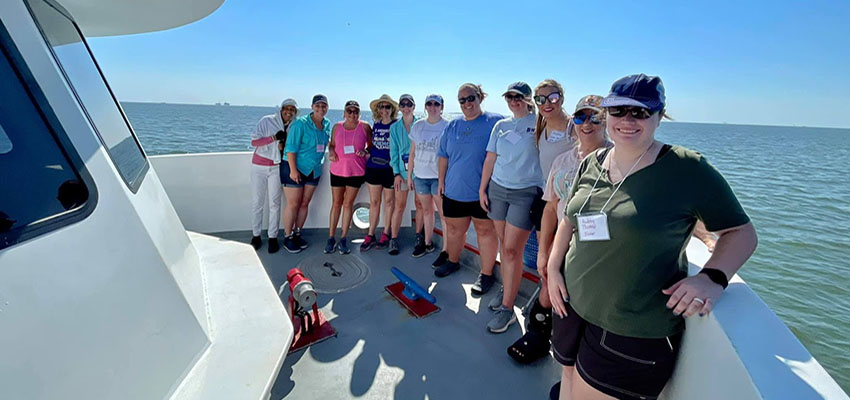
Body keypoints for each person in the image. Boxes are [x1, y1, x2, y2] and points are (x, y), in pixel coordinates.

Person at [546, 74, 757, 400]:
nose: (627, 120)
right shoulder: (592, 163)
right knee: (567, 383)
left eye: (641, 112)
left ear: (660, 116)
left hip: (630, 327)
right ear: (607, 115)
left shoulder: (687, 169)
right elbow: (569, 221)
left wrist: (712, 278)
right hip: (572, 305)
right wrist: (552, 269)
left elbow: (741, 233)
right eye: (618, 111)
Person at [511, 94, 613, 364]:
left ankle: (577, 356)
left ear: (606, 120)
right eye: (581, 117)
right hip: (561, 240)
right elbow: (549, 209)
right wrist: (544, 252)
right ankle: (539, 334)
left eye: (595, 117)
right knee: (549, 288)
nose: (587, 124)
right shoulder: (563, 161)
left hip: (599, 247)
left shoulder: (619, 159)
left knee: (583, 301)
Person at [478, 82, 543, 333]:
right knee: (505, 248)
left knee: (512, 250)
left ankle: (508, 309)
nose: (514, 101)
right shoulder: (501, 126)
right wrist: (482, 189)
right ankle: (508, 288)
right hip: (497, 189)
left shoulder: (539, 123)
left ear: (528, 99)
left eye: (519, 97)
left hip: (525, 192)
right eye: (510, 96)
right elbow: (490, 159)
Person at [435, 83, 502, 297]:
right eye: (462, 100)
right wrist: (441, 181)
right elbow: (443, 156)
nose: (467, 103)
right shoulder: (452, 125)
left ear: (480, 98)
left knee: (485, 231)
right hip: (454, 190)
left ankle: (486, 273)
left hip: (483, 193)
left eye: (471, 98)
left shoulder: (495, 122)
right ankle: (453, 261)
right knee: (454, 230)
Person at [281, 94, 331, 253]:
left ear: (327, 108)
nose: (321, 108)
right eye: (318, 105)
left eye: (324, 106)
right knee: (293, 204)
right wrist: (294, 170)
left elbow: (328, 143)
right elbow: (290, 148)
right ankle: (287, 236)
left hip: (314, 169)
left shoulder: (327, 124)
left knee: (304, 203)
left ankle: (297, 233)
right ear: (312, 107)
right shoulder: (300, 124)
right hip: (294, 167)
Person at [249, 98, 297, 253]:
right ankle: (256, 235)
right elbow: (254, 142)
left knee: (275, 204)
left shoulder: (292, 126)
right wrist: (274, 138)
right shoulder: (267, 121)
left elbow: (286, 149)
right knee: (258, 202)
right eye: (286, 108)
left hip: (276, 167)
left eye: (292, 109)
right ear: (281, 109)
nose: (289, 112)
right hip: (259, 167)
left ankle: (272, 237)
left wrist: (282, 145)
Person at [325, 100, 371, 255]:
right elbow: (331, 144)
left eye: (355, 111)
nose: (352, 114)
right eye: (349, 111)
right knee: (336, 203)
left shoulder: (365, 127)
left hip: (356, 172)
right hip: (337, 170)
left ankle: (343, 238)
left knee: (348, 204)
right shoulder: (337, 127)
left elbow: (371, 146)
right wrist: (331, 152)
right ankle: (331, 237)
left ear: (360, 113)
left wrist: (365, 152)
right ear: (344, 113)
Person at [408, 94, 449, 260]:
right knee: (427, 211)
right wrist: (410, 176)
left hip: (439, 178)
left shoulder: (447, 126)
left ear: (442, 107)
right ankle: (427, 243)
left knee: (444, 215)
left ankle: (446, 250)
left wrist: (443, 179)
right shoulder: (418, 126)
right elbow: (412, 153)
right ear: (425, 107)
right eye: (429, 104)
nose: (433, 107)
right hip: (420, 177)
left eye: (436, 104)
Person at [360, 94, 398, 252]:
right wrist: (365, 152)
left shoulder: (397, 126)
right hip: (373, 168)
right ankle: (370, 234)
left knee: (389, 203)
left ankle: (386, 232)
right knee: (374, 202)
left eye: (387, 107)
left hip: (389, 169)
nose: (384, 110)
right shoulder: (375, 125)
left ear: (392, 109)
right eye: (381, 107)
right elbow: (372, 145)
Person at [388, 94, 418, 255]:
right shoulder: (394, 128)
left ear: (414, 107)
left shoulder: (420, 124)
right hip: (402, 172)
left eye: (409, 104)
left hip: (419, 172)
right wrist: (396, 173)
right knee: (399, 206)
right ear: (399, 107)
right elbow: (393, 152)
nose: (406, 107)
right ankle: (393, 239)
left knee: (421, 206)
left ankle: (420, 236)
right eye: (403, 104)